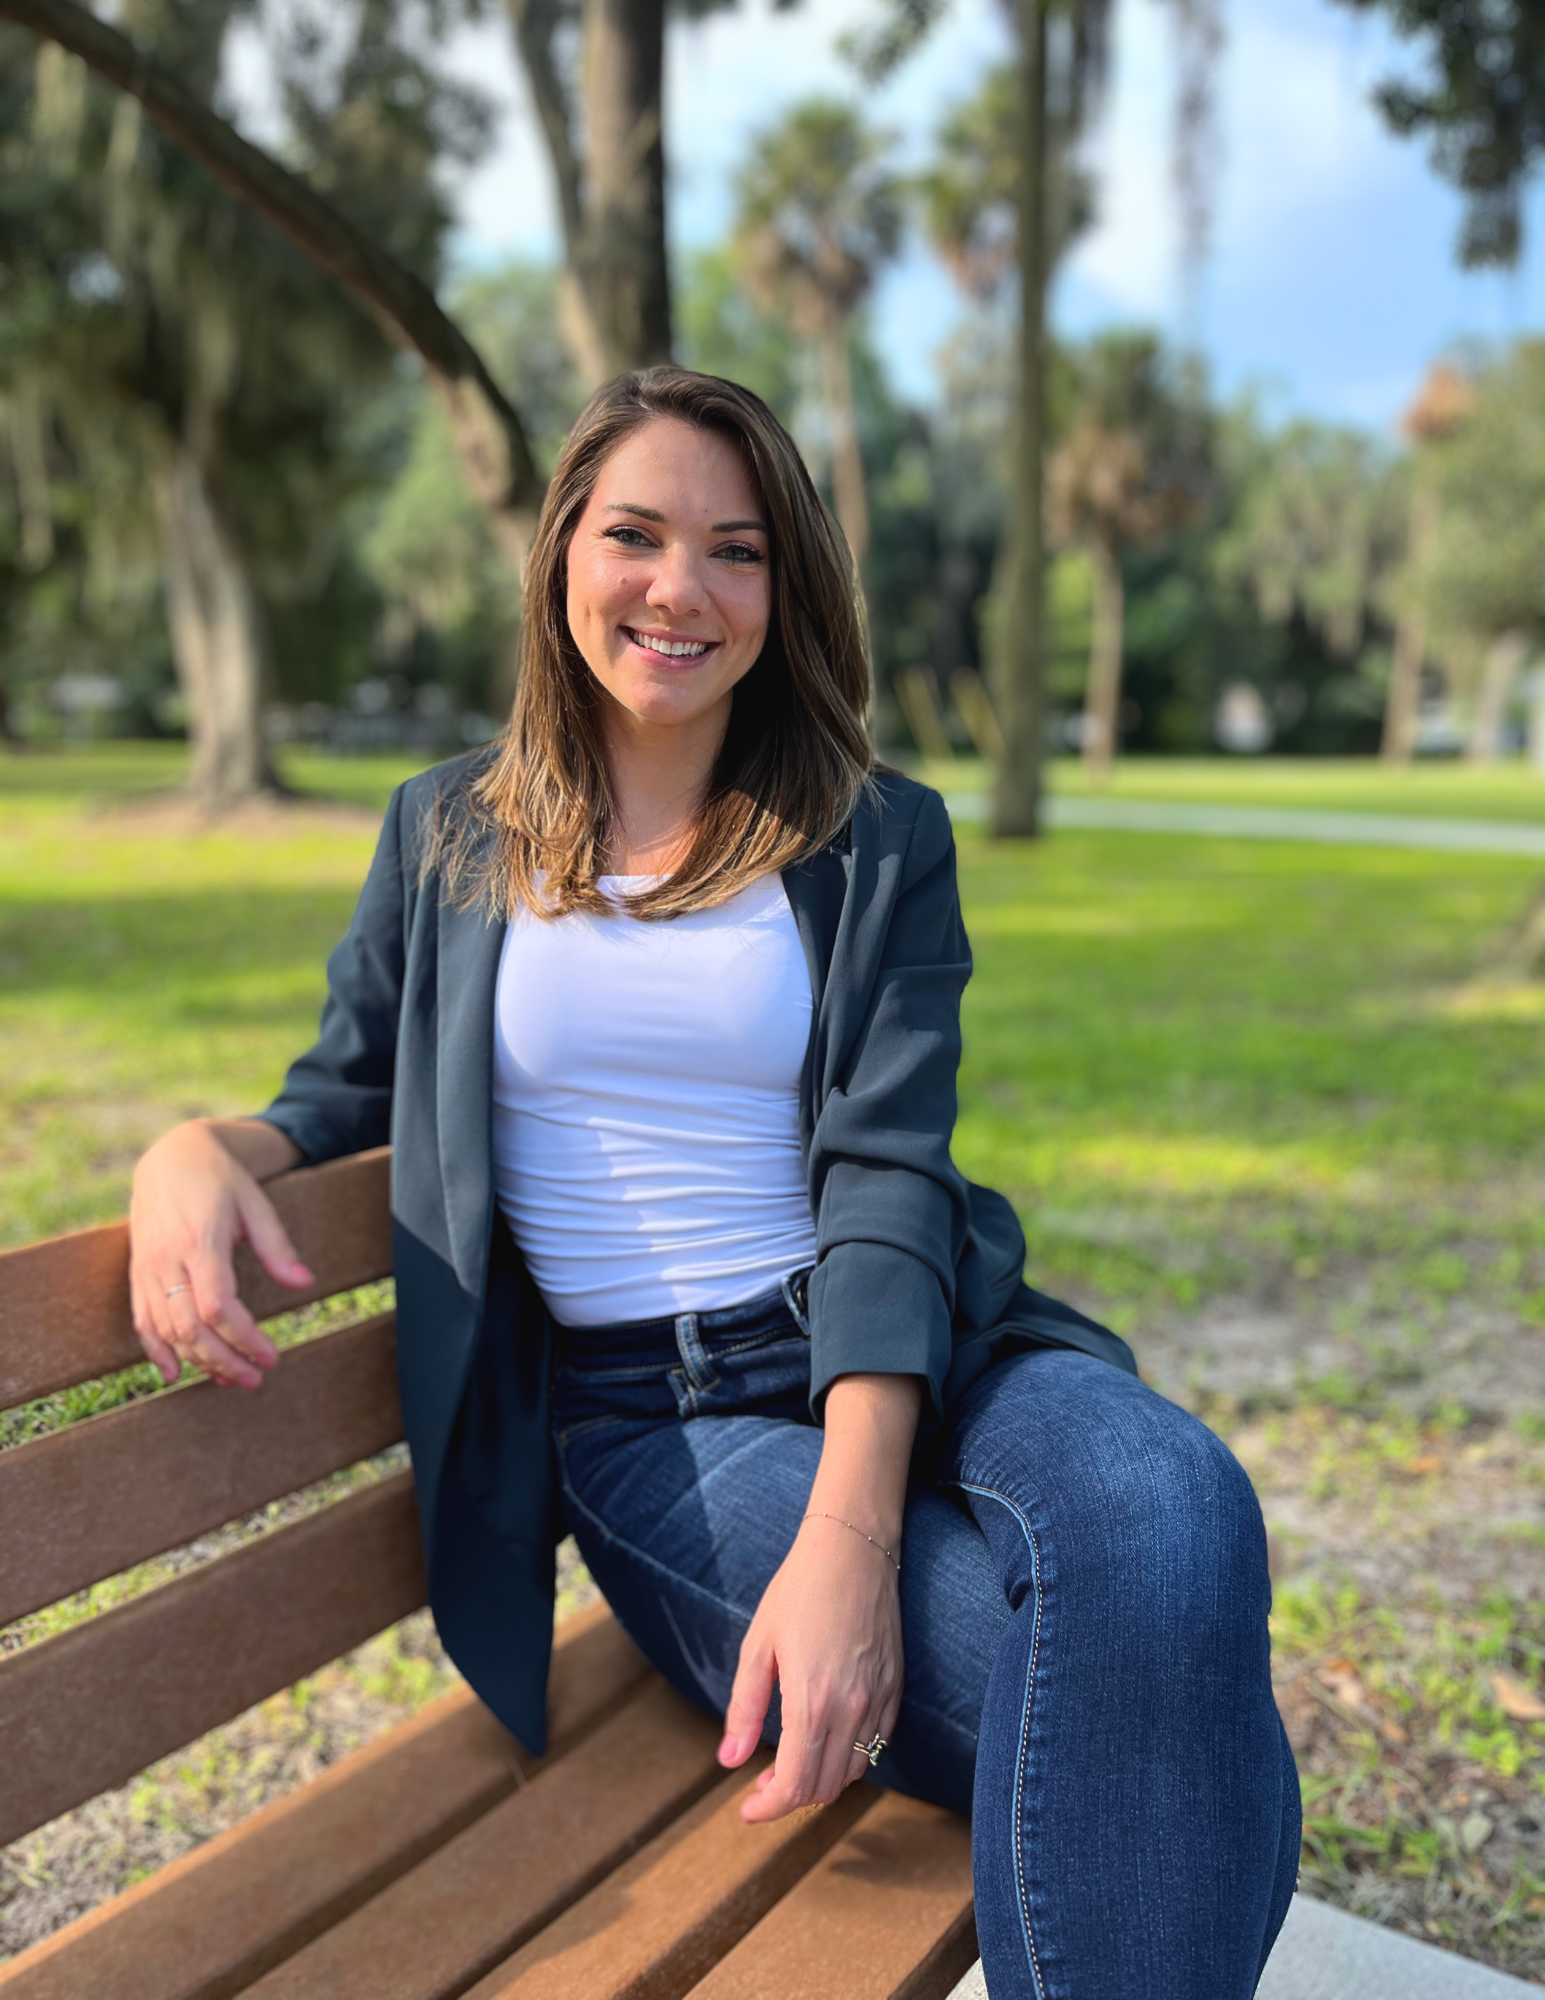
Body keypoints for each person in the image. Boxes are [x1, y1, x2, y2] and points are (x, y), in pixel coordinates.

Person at [130, 366, 1300, 1998]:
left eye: (738, 550)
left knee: (1174, 1509)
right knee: (1167, 1703)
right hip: (661, 1430)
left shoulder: (873, 837)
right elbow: (335, 1092)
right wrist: (200, 1149)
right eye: (638, 535)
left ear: (785, 586)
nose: (682, 589)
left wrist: (853, 1530)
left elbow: (891, 1171)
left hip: (919, 1344)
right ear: (561, 558)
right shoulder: (450, 836)